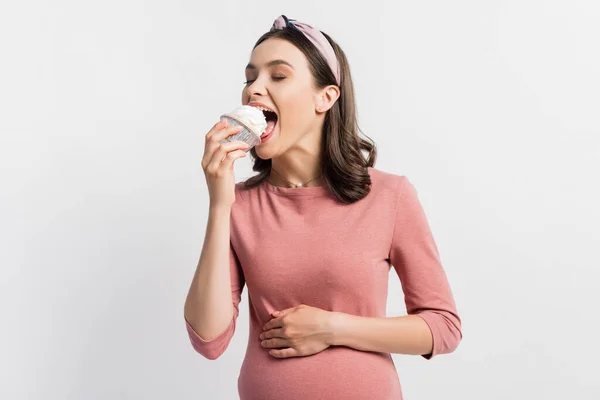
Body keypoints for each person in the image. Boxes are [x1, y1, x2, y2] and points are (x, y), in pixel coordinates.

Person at [184, 14, 462, 400]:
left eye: (277, 77)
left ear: (325, 97)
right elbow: (209, 340)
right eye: (250, 78)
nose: (253, 90)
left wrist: (332, 327)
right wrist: (219, 204)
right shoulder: (240, 205)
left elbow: (443, 327)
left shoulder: (389, 196)